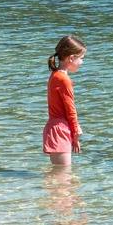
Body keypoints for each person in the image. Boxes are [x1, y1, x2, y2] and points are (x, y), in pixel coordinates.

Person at [44, 35, 86, 167]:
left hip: (56, 128)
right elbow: (70, 110)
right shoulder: (63, 80)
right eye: (81, 58)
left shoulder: (55, 75)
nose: (82, 62)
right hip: (60, 130)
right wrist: (75, 133)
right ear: (71, 58)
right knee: (63, 177)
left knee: (60, 177)